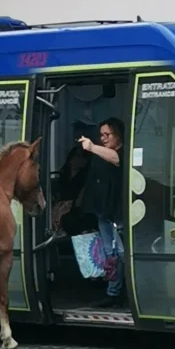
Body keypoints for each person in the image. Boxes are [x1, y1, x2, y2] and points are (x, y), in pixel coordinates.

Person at [79, 118, 125, 307]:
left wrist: (91, 146)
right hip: (103, 213)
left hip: (118, 213)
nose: (103, 138)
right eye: (101, 135)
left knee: (120, 253)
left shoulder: (122, 152)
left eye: (108, 134)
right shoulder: (101, 155)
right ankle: (112, 292)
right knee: (110, 254)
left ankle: (119, 292)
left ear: (118, 134)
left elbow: (116, 158)